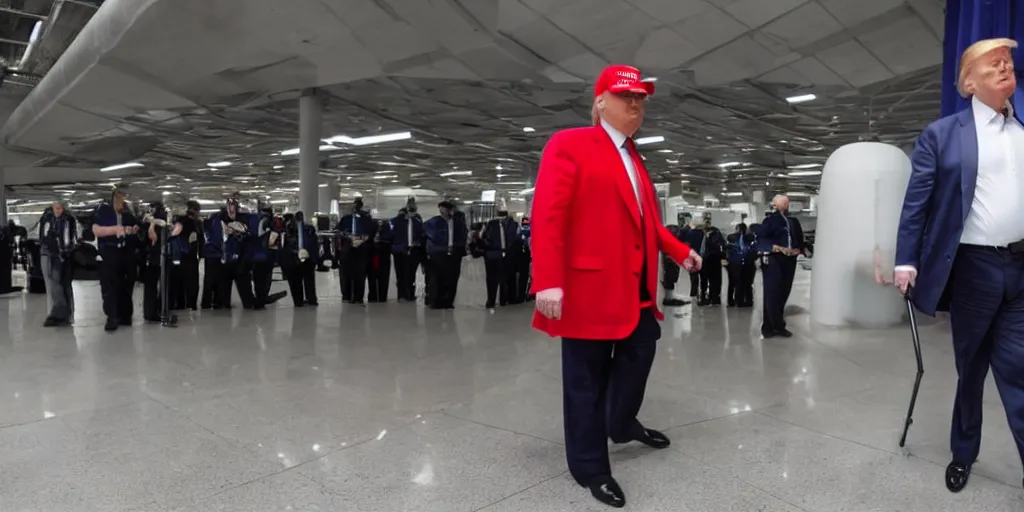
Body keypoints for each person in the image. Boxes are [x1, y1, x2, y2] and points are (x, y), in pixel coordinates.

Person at [531, 64, 702, 508]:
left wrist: (678, 250)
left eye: (641, 98)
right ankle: (590, 466)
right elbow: (549, 215)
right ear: (601, 100)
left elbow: (646, 220)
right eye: (627, 96)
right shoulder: (569, 144)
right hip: (587, 286)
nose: (636, 104)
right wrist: (548, 280)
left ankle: (621, 423)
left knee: (640, 351)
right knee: (584, 381)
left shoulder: (634, 156)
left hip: (635, 289)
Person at [894, 38, 1024, 493]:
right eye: (993, 62)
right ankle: (963, 454)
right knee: (971, 370)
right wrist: (906, 259)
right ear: (969, 82)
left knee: (1019, 369)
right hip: (972, 270)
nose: (1005, 64)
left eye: (1008, 60)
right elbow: (917, 205)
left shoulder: (1022, 132)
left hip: (1020, 269)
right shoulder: (943, 135)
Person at [92, 187, 140, 332]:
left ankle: (125, 315)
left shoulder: (127, 211)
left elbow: (134, 225)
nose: (121, 199)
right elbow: (96, 230)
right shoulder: (103, 211)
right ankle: (112, 317)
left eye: (123, 196)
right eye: (118, 196)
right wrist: (115, 230)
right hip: (109, 251)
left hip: (126, 252)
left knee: (127, 284)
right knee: (110, 286)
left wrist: (134, 229)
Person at [757, 195, 804, 338]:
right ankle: (774, 326)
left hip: (790, 260)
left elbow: (799, 239)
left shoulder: (793, 221)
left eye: (786, 201)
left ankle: (773, 325)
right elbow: (761, 238)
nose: (785, 204)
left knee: (784, 291)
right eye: (781, 202)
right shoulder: (770, 221)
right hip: (774, 260)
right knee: (772, 293)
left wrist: (799, 249)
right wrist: (775, 248)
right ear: (775, 205)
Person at [39, 201, 78, 326]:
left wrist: (65, 251)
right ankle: (57, 311)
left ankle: (64, 312)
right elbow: (43, 236)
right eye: (56, 207)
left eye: (60, 208)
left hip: (64, 255)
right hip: (49, 254)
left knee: (62, 283)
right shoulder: (46, 218)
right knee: (52, 283)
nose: (58, 210)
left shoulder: (69, 219)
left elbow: (71, 238)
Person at [424, 200, 467, 309]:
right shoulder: (433, 222)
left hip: (454, 253)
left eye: (446, 210)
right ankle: (436, 301)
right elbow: (428, 235)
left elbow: (464, 236)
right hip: (438, 254)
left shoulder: (458, 223)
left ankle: (448, 301)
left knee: (452, 278)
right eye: (442, 210)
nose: (444, 212)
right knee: (437, 278)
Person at [337, 198, 375, 304]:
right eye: (354, 205)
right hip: (348, 247)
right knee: (345, 273)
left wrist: (363, 239)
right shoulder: (346, 219)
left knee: (360, 273)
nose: (356, 207)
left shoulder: (366, 219)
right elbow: (339, 231)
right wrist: (348, 236)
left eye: (358, 205)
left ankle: (358, 297)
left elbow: (372, 231)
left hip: (362, 248)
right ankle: (346, 295)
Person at [480, 209, 521, 309]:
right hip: (500, 254)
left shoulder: (492, 224)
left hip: (497, 254)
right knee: (498, 278)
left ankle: (496, 300)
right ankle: (498, 300)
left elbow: (483, 237)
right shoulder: (511, 225)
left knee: (497, 279)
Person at [390, 203, 426, 302]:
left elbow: (390, 236)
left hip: (400, 250)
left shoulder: (394, 222)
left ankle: (402, 294)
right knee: (410, 273)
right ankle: (408, 294)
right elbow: (422, 236)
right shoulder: (417, 222)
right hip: (410, 250)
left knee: (400, 272)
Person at [726, 223, 756, 308]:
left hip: (735, 263)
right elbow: (754, 251)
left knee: (734, 283)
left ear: (736, 229)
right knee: (747, 283)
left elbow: (727, 250)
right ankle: (748, 300)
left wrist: (728, 260)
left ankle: (735, 301)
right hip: (747, 263)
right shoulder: (751, 238)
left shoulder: (731, 237)